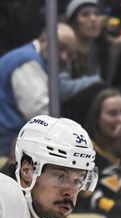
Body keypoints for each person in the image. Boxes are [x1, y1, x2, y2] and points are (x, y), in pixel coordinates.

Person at [0, 116, 96, 218]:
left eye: (78, 180)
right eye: (60, 177)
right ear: (27, 170)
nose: (70, 191)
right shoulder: (4, 195)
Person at [0, 24, 76, 154]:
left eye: (69, 54)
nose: (64, 57)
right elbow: (39, 114)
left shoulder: (27, 57)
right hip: (8, 149)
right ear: (43, 40)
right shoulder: (27, 62)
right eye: (61, 48)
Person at [81, 88, 121, 218]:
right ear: (97, 118)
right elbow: (86, 195)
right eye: (112, 114)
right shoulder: (84, 152)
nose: (120, 119)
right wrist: (119, 209)